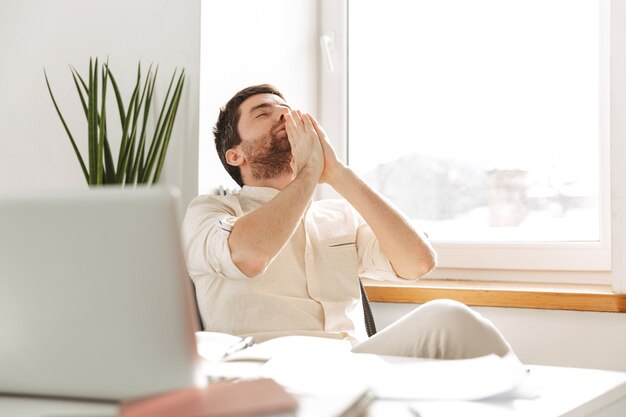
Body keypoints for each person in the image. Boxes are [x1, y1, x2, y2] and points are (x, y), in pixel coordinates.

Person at [182, 84, 515, 360]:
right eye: (264, 113)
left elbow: (418, 262)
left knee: (450, 320)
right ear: (235, 155)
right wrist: (310, 174)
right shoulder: (211, 212)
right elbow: (248, 256)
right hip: (264, 374)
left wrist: (336, 172)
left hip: (352, 368)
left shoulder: (338, 216)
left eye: (286, 110)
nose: (284, 115)